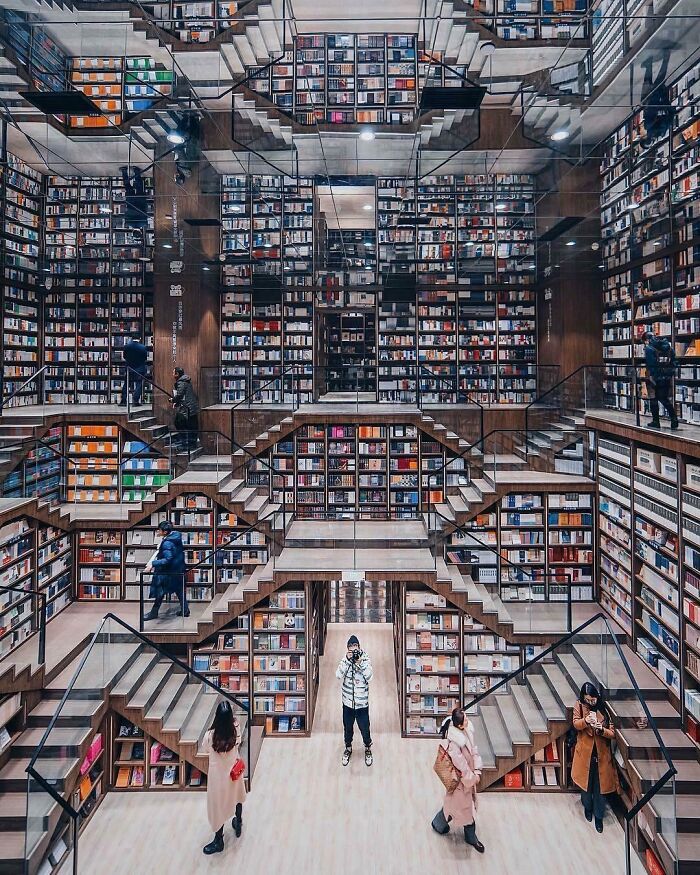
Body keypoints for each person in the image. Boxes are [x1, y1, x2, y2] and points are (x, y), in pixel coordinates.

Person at [431, 707, 485, 853]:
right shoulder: (455, 744)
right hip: (461, 783)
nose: (468, 721)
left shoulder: (467, 731)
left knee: (453, 808)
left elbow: (474, 751)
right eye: (465, 719)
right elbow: (461, 767)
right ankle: (471, 837)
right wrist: (472, 778)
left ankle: (438, 824)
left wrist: (477, 770)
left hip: (466, 781)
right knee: (464, 810)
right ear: (459, 725)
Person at [572, 682, 620, 834]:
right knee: (586, 786)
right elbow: (575, 723)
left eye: (592, 700)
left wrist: (601, 730)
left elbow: (612, 733)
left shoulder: (605, 710)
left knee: (600, 788)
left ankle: (599, 816)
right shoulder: (579, 706)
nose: (590, 702)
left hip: (601, 755)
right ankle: (588, 807)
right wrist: (586, 721)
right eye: (587, 699)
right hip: (585, 753)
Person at [201, 700, 247, 855]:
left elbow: (205, 749)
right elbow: (239, 741)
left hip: (218, 777)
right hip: (234, 771)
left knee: (217, 807)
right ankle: (238, 822)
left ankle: (218, 840)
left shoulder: (210, 736)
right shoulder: (235, 729)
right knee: (237, 796)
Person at [335, 634, 373, 766]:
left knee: (365, 727)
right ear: (347, 650)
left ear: (359, 647)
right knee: (347, 727)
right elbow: (338, 675)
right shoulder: (345, 660)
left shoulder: (365, 659)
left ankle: (367, 747)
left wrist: (360, 662)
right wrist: (346, 660)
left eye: (355, 648)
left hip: (362, 703)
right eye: (351, 649)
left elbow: (369, 676)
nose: (353, 651)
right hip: (348, 702)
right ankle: (348, 748)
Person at [144, 520, 190, 619]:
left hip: (168, 572)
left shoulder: (167, 543)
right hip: (178, 569)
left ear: (165, 532)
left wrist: (153, 563)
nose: (158, 531)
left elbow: (167, 559)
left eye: (159, 530)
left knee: (160, 592)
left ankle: (153, 613)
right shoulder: (176, 537)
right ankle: (185, 610)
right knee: (179, 590)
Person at [643, 330, 678, 430]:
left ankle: (656, 421)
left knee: (653, 399)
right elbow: (674, 362)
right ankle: (674, 419)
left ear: (647, 340)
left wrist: (653, 378)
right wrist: (669, 373)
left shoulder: (649, 349)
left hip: (654, 378)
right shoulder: (669, 348)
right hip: (666, 377)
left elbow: (651, 365)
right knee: (664, 399)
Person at [640, 51, 674, 148]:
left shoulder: (660, 132)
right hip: (654, 101)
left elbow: (670, 118)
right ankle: (666, 56)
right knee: (656, 80)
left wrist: (667, 104)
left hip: (656, 102)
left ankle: (650, 65)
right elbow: (651, 118)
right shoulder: (652, 129)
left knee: (651, 82)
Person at [172, 367, 200, 451]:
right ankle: (191, 443)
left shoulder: (181, 382)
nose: (172, 375)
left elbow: (180, 395)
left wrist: (172, 400)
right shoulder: (186, 381)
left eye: (173, 373)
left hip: (187, 408)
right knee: (192, 426)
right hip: (191, 407)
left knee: (179, 423)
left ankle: (185, 443)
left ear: (177, 374)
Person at [120, 336, 148, 407]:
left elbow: (124, 356)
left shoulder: (127, 346)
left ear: (132, 339)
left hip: (129, 369)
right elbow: (145, 358)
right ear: (140, 338)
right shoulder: (143, 347)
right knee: (139, 385)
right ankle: (135, 401)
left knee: (126, 384)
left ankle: (123, 400)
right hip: (140, 369)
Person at [119, 165, 149, 230]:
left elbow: (145, 212)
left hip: (141, 201)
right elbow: (126, 213)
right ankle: (124, 171)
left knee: (139, 186)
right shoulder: (128, 223)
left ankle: (136, 171)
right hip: (131, 202)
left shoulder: (144, 223)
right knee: (127, 186)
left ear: (140, 231)